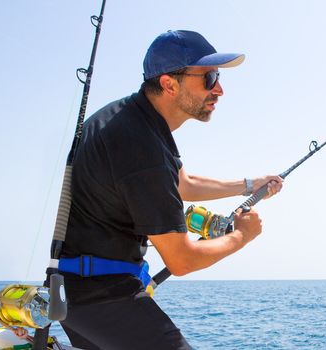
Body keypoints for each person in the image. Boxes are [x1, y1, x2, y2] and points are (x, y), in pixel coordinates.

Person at [57, 30, 283, 349]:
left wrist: (248, 185)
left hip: (75, 294)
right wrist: (241, 236)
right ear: (168, 83)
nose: (219, 89)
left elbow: (184, 185)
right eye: (209, 78)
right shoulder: (141, 146)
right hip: (104, 299)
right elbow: (182, 260)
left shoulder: (131, 119)